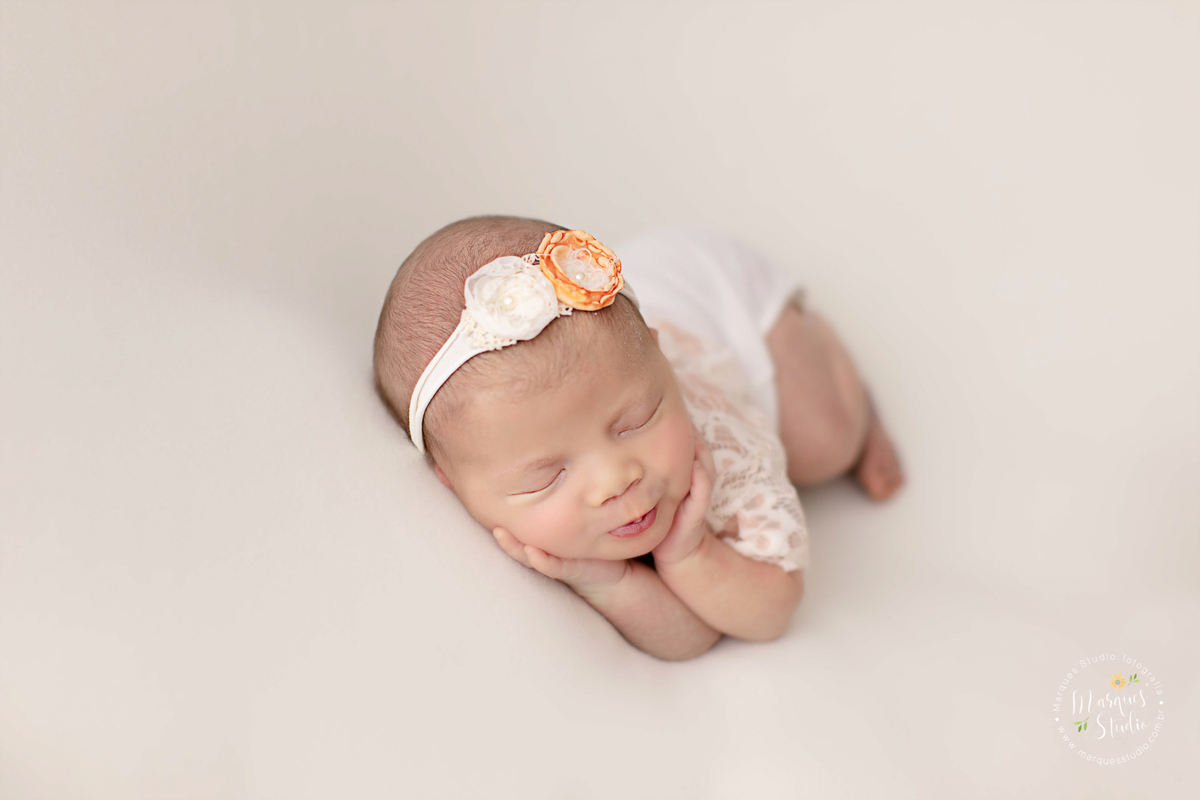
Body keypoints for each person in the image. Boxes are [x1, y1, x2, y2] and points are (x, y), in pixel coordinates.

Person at [373, 216, 903, 660]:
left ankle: (845, 380)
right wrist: (611, 583)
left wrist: (690, 554)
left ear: (662, 362)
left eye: (636, 421)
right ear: (450, 481)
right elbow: (691, 641)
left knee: (824, 445)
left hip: (721, 294)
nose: (617, 479)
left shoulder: (717, 444)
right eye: (547, 478)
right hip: (623, 325)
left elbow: (771, 613)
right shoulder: (507, 456)